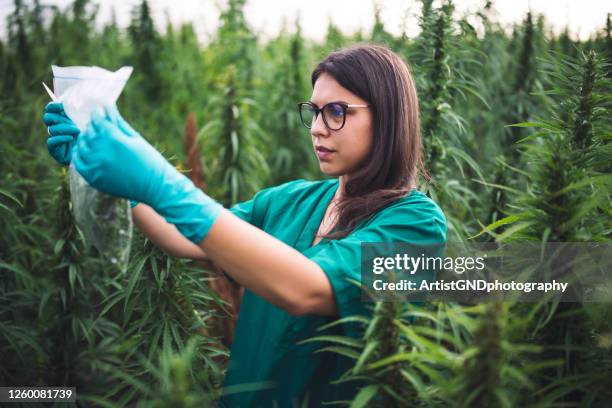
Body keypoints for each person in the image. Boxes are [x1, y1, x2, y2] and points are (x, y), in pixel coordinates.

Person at [42, 44, 446, 407]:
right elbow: (188, 234)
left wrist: (160, 183)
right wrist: (112, 177)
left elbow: (308, 289)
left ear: (389, 117)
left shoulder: (416, 225)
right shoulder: (291, 200)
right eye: (315, 112)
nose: (318, 128)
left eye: (337, 112)